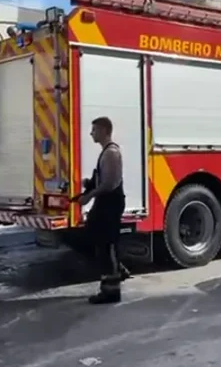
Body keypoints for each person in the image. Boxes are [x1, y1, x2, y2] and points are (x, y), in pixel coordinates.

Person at [78, 116, 128, 304]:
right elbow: (103, 180)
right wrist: (89, 184)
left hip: (110, 204)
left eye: (95, 130)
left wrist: (89, 196)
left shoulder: (111, 153)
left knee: (106, 245)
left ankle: (111, 291)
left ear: (105, 131)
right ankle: (117, 271)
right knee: (98, 239)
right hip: (106, 203)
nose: (91, 133)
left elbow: (110, 183)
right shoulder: (106, 152)